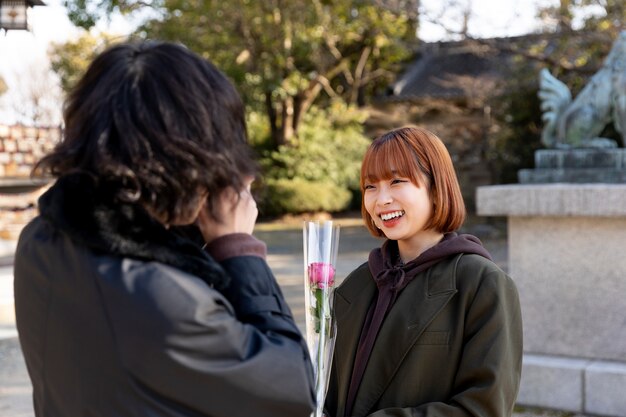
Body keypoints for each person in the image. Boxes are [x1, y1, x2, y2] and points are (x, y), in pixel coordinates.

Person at [13, 40, 315, 417]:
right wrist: (237, 247)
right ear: (192, 156)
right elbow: (292, 389)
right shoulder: (160, 297)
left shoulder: (41, 238)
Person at [324, 127, 522, 417]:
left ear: (436, 186)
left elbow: (484, 408)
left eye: (397, 181)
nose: (382, 200)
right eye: (370, 186)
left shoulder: (481, 284)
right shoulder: (357, 285)